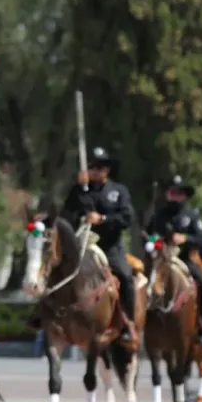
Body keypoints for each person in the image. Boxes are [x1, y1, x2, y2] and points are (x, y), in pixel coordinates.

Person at [61, 146, 135, 344]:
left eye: (100, 167)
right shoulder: (79, 191)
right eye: (92, 167)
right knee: (57, 270)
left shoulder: (119, 191)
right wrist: (79, 191)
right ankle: (48, 316)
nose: (95, 170)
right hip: (82, 245)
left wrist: (102, 219)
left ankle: (128, 323)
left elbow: (127, 218)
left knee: (126, 276)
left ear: (107, 170)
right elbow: (66, 215)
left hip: (110, 247)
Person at [145, 176, 202, 346]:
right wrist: (156, 242)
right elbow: (149, 235)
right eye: (172, 192)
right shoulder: (159, 215)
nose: (174, 196)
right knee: (143, 281)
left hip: (184, 259)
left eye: (178, 193)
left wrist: (185, 238)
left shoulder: (192, 215)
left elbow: (201, 239)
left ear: (184, 196)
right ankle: (144, 319)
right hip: (162, 258)